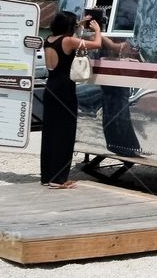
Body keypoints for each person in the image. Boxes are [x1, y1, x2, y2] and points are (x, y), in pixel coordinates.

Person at [40, 11, 103, 189]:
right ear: (69, 26)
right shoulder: (68, 41)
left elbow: (71, 36)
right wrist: (97, 29)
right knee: (65, 133)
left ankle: (47, 176)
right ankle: (59, 179)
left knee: (50, 133)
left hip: (50, 87)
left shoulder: (49, 39)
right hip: (65, 89)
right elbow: (96, 44)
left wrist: (79, 24)